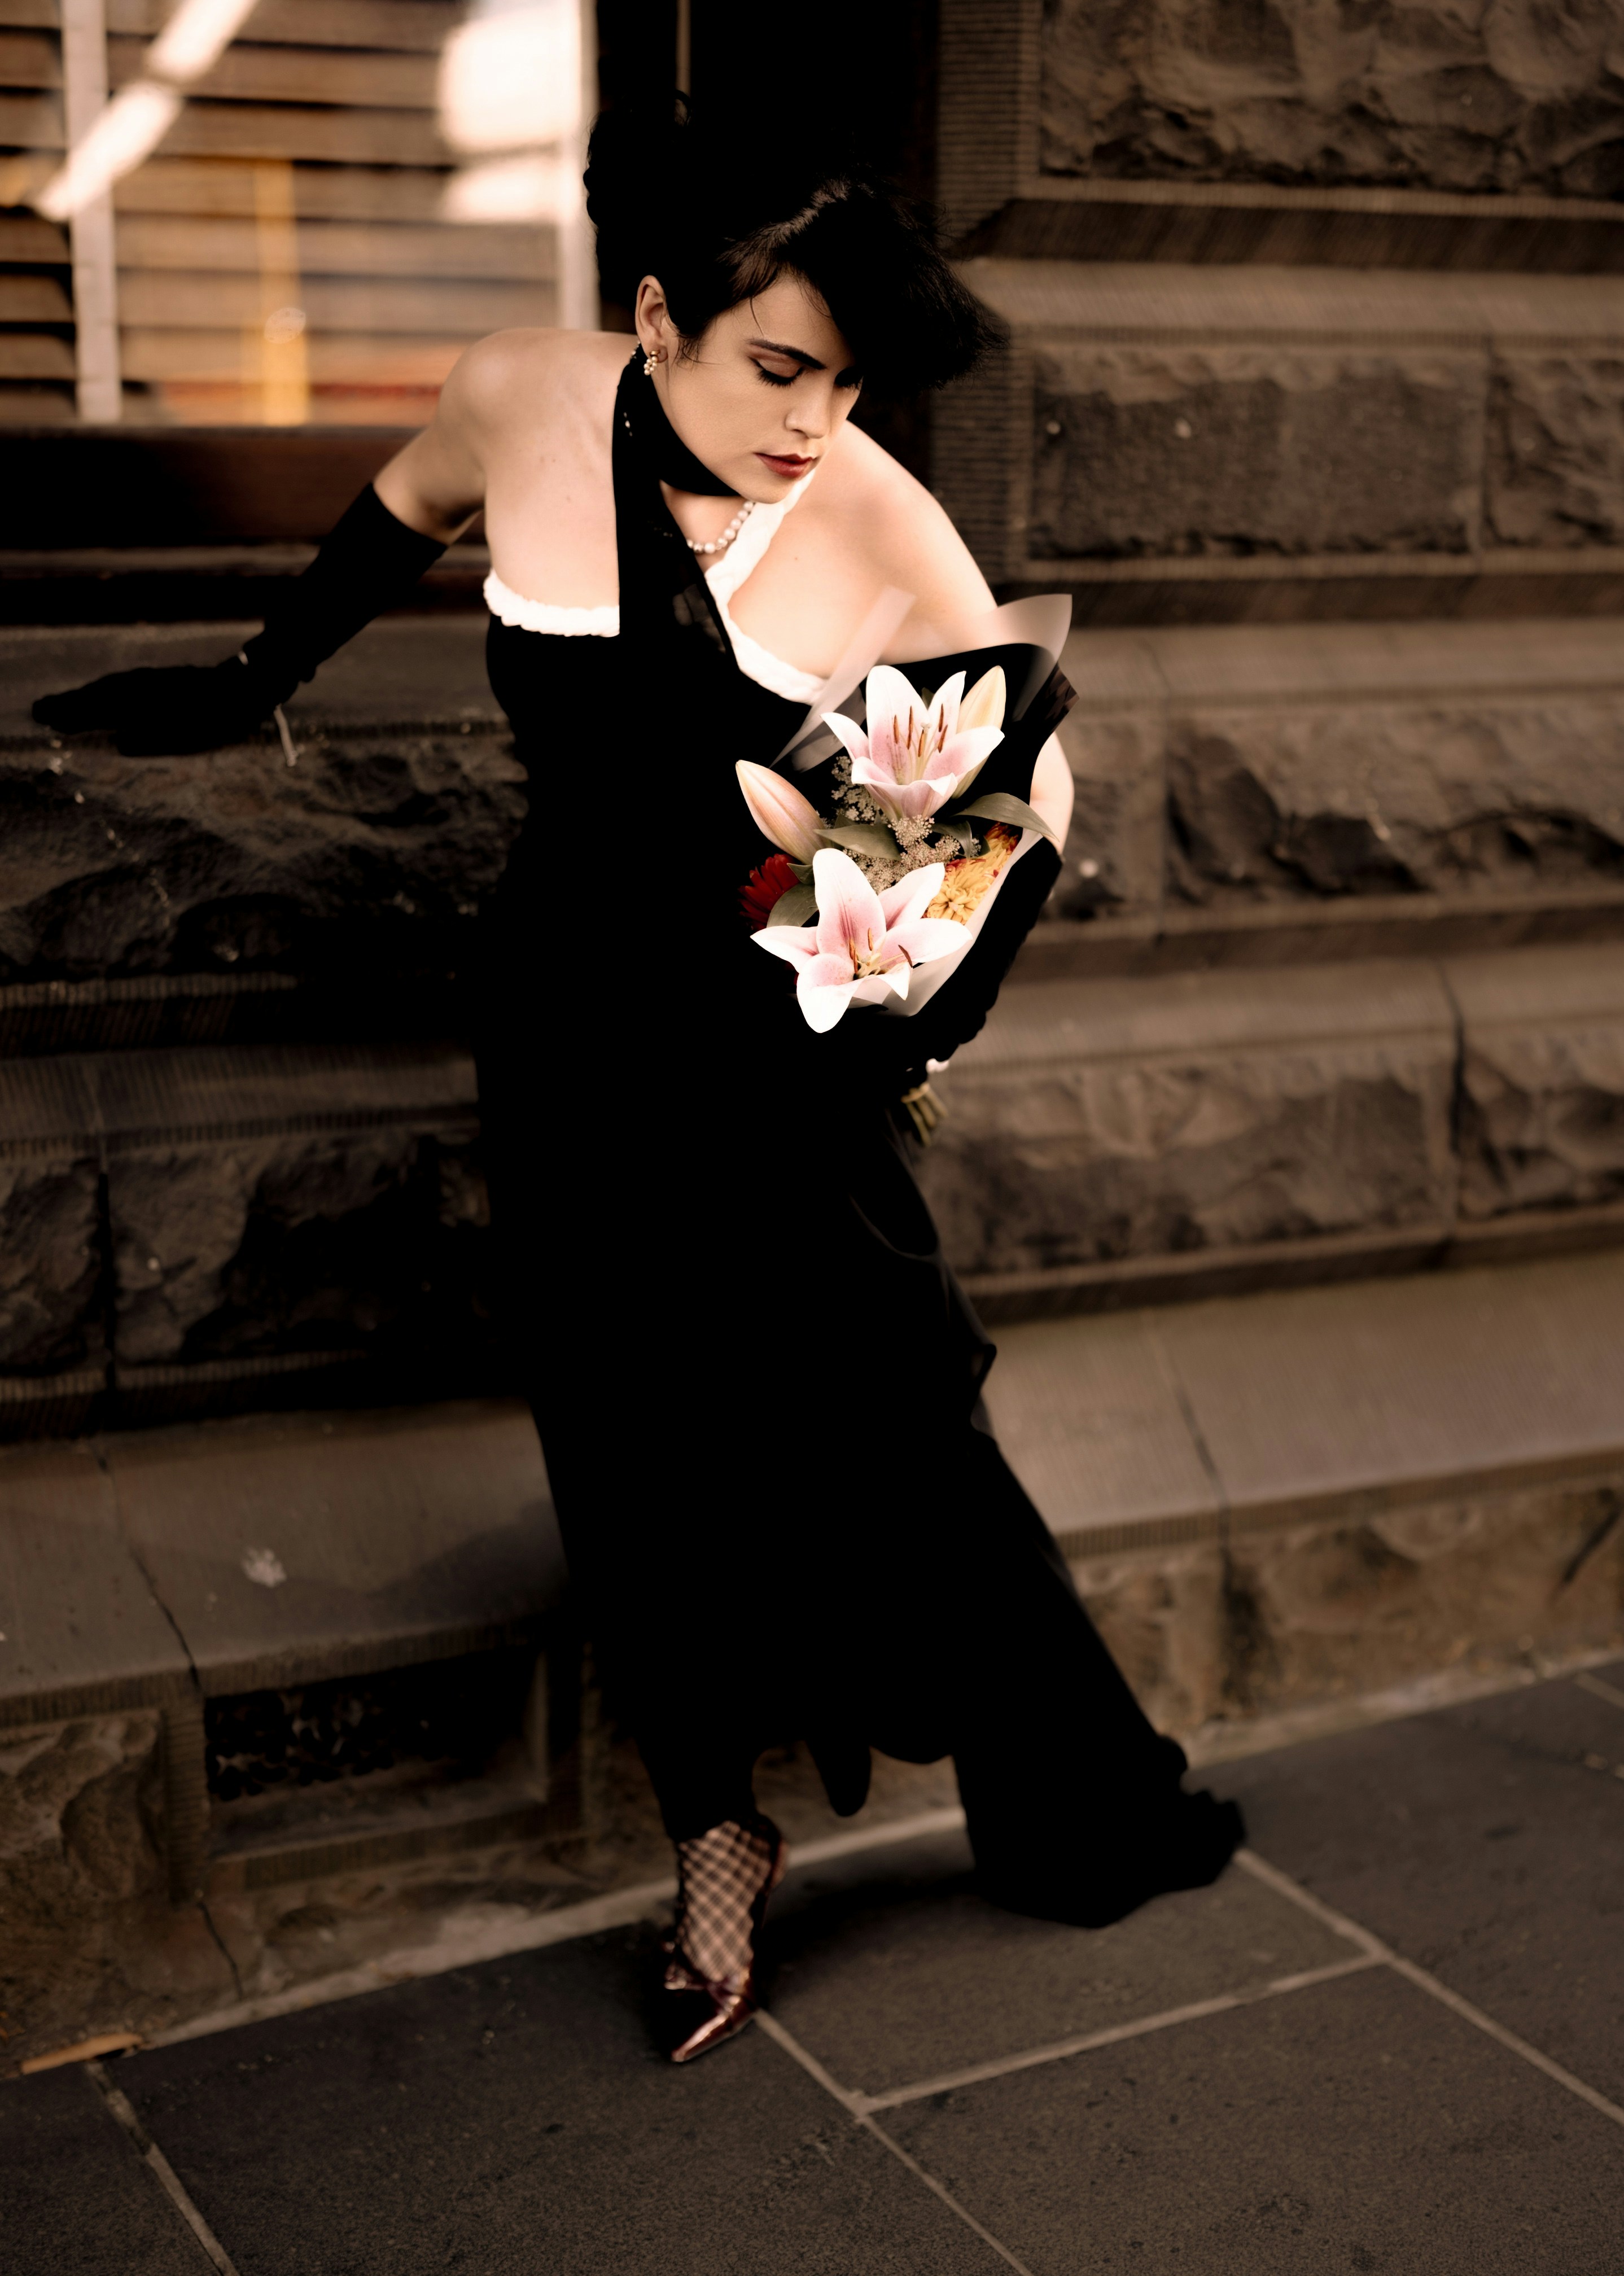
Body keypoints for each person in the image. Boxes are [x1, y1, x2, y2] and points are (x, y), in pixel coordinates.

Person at [36, 102, 1242, 2065]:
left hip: (769, 1056)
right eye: (778, 366)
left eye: (845, 380)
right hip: (564, 1026)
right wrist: (263, 671)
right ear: (660, 316)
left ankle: (1086, 1788)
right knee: (621, 1430)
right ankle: (717, 1837)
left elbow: (1036, 754)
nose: (812, 417)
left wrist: (891, 973)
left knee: (894, 1428)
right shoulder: (521, 396)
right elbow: (409, 502)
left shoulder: (864, 514)